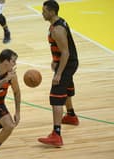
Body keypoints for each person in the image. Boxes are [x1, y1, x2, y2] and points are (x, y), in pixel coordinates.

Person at [38, 0, 79, 147]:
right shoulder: (57, 24)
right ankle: (71, 116)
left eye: (44, 11)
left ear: (52, 12)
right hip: (67, 62)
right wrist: (55, 60)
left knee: (56, 97)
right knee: (67, 89)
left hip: (67, 64)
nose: (42, 13)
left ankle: (56, 135)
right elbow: (61, 49)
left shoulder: (57, 29)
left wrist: (58, 74)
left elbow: (66, 52)